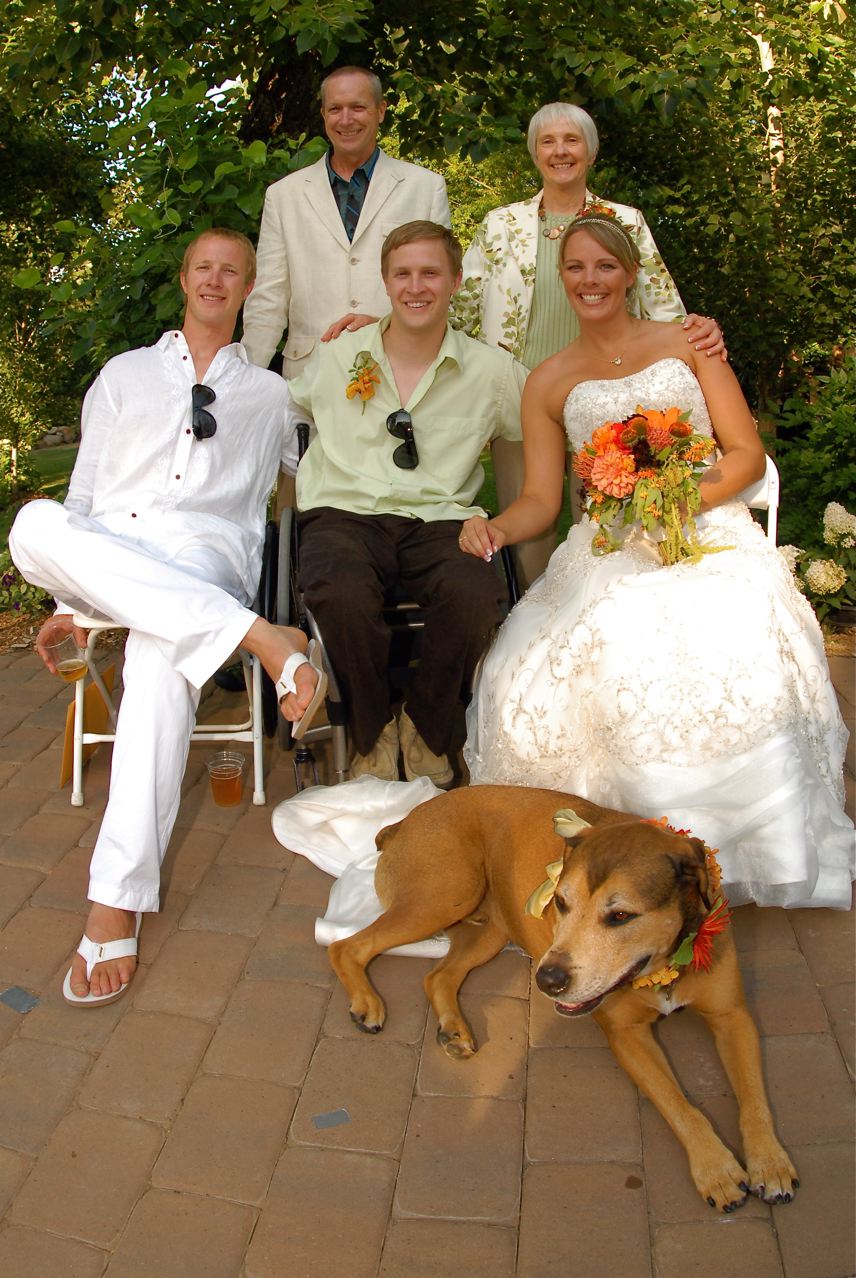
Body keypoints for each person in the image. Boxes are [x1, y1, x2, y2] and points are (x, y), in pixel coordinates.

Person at [459, 210, 854, 910]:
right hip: (611, 546)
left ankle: (731, 852)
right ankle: (612, 855)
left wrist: (678, 499)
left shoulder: (689, 343)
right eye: (576, 267)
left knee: (719, 635)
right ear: (562, 278)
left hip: (708, 530)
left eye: (605, 266)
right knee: (569, 649)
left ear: (631, 273)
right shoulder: (547, 380)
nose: (590, 280)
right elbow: (542, 501)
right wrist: (492, 525)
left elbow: (745, 454)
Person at [9, 227, 327, 1006]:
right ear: (184, 280)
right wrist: (72, 603)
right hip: (112, 550)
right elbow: (83, 494)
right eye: (203, 268)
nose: (216, 280)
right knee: (34, 524)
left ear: (248, 289)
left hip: (202, 556)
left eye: (232, 271)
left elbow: (333, 469)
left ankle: (114, 901)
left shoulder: (273, 395)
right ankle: (258, 638)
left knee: (158, 656)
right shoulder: (124, 374)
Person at [288, 220, 527, 786]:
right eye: (402, 274)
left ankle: (427, 725)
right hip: (344, 513)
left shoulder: (492, 372)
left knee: (476, 592)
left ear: (455, 281)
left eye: (430, 273)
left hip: (441, 518)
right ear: (385, 281)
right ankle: (371, 731)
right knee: (339, 590)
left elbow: (556, 405)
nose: (415, 287)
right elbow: (280, 409)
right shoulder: (340, 354)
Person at [450, 102, 726, 584]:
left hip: (604, 406)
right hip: (521, 400)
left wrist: (699, 332)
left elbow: (663, 308)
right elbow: (459, 311)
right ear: (534, 153)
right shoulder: (500, 225)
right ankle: (534, 616)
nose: (560, 151)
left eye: (571, 140)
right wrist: (390, 323)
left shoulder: (625, 222)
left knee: (603, 534)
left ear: (591, 152)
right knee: (530, 536)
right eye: (548, 141)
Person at [241, 66, 451, 379]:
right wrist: (244, 379)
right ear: (323, 114)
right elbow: (268, 299)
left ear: (381, 111)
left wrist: (389, 329)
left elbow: (441, 290)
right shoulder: (284, 196)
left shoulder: (425, 187)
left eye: (358, 107)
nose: (346, 119)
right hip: (310, 375)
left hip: (399, 370)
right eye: (335, 109)